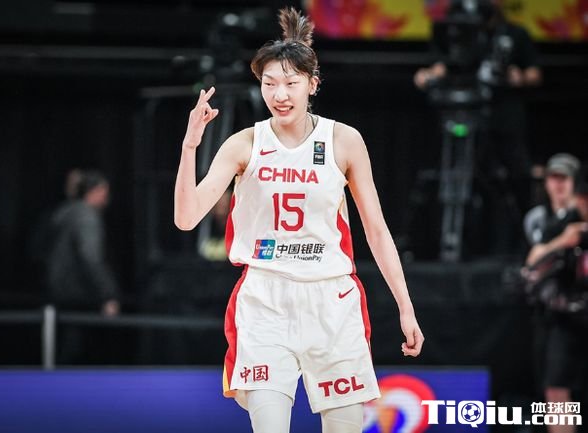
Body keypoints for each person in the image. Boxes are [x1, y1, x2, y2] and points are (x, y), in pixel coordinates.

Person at [174, 8, 423, 433]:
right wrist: (189, 146)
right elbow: (186, 218)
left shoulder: (343, 140)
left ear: (313, 84)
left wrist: (406, 306)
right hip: (266, 299)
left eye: (290, 83)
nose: (280, 94)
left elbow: (376, 230)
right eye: (269, 83)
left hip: (332, 298)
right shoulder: (244, 143)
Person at [415, 0, 542, 256]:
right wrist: (430, 74)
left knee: (512, 178)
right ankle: (427, 244)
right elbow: (440, 66)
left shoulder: (514, 34)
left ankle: (520, 245)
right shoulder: (455, 31)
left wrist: (518, 76)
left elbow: (535, 73)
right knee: (445, 173)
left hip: (503, 119)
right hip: (460, 114)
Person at [524, 166, 588, 433]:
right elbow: (532, 261)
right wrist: (564, 240)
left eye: (565, 179)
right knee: (556, 389)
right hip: (563, 316)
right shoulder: (557, 222)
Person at [45, 169, 120, 363]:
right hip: (81, 294)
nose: (106, 199)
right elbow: (90, 257)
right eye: (104, 192)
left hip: (59, 290)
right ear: (93, 191)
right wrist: (107, 294)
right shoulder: (86, 217)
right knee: (80, 351)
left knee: (66, 346)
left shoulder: (64, 212)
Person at [523, 153, 580, 247]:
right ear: (546, 182)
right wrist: (564, 240)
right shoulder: (536, 219)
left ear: (576, 182)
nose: (559, 183)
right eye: (554, 177)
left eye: (564, 177)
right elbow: (536, 250)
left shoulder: (583, 215)